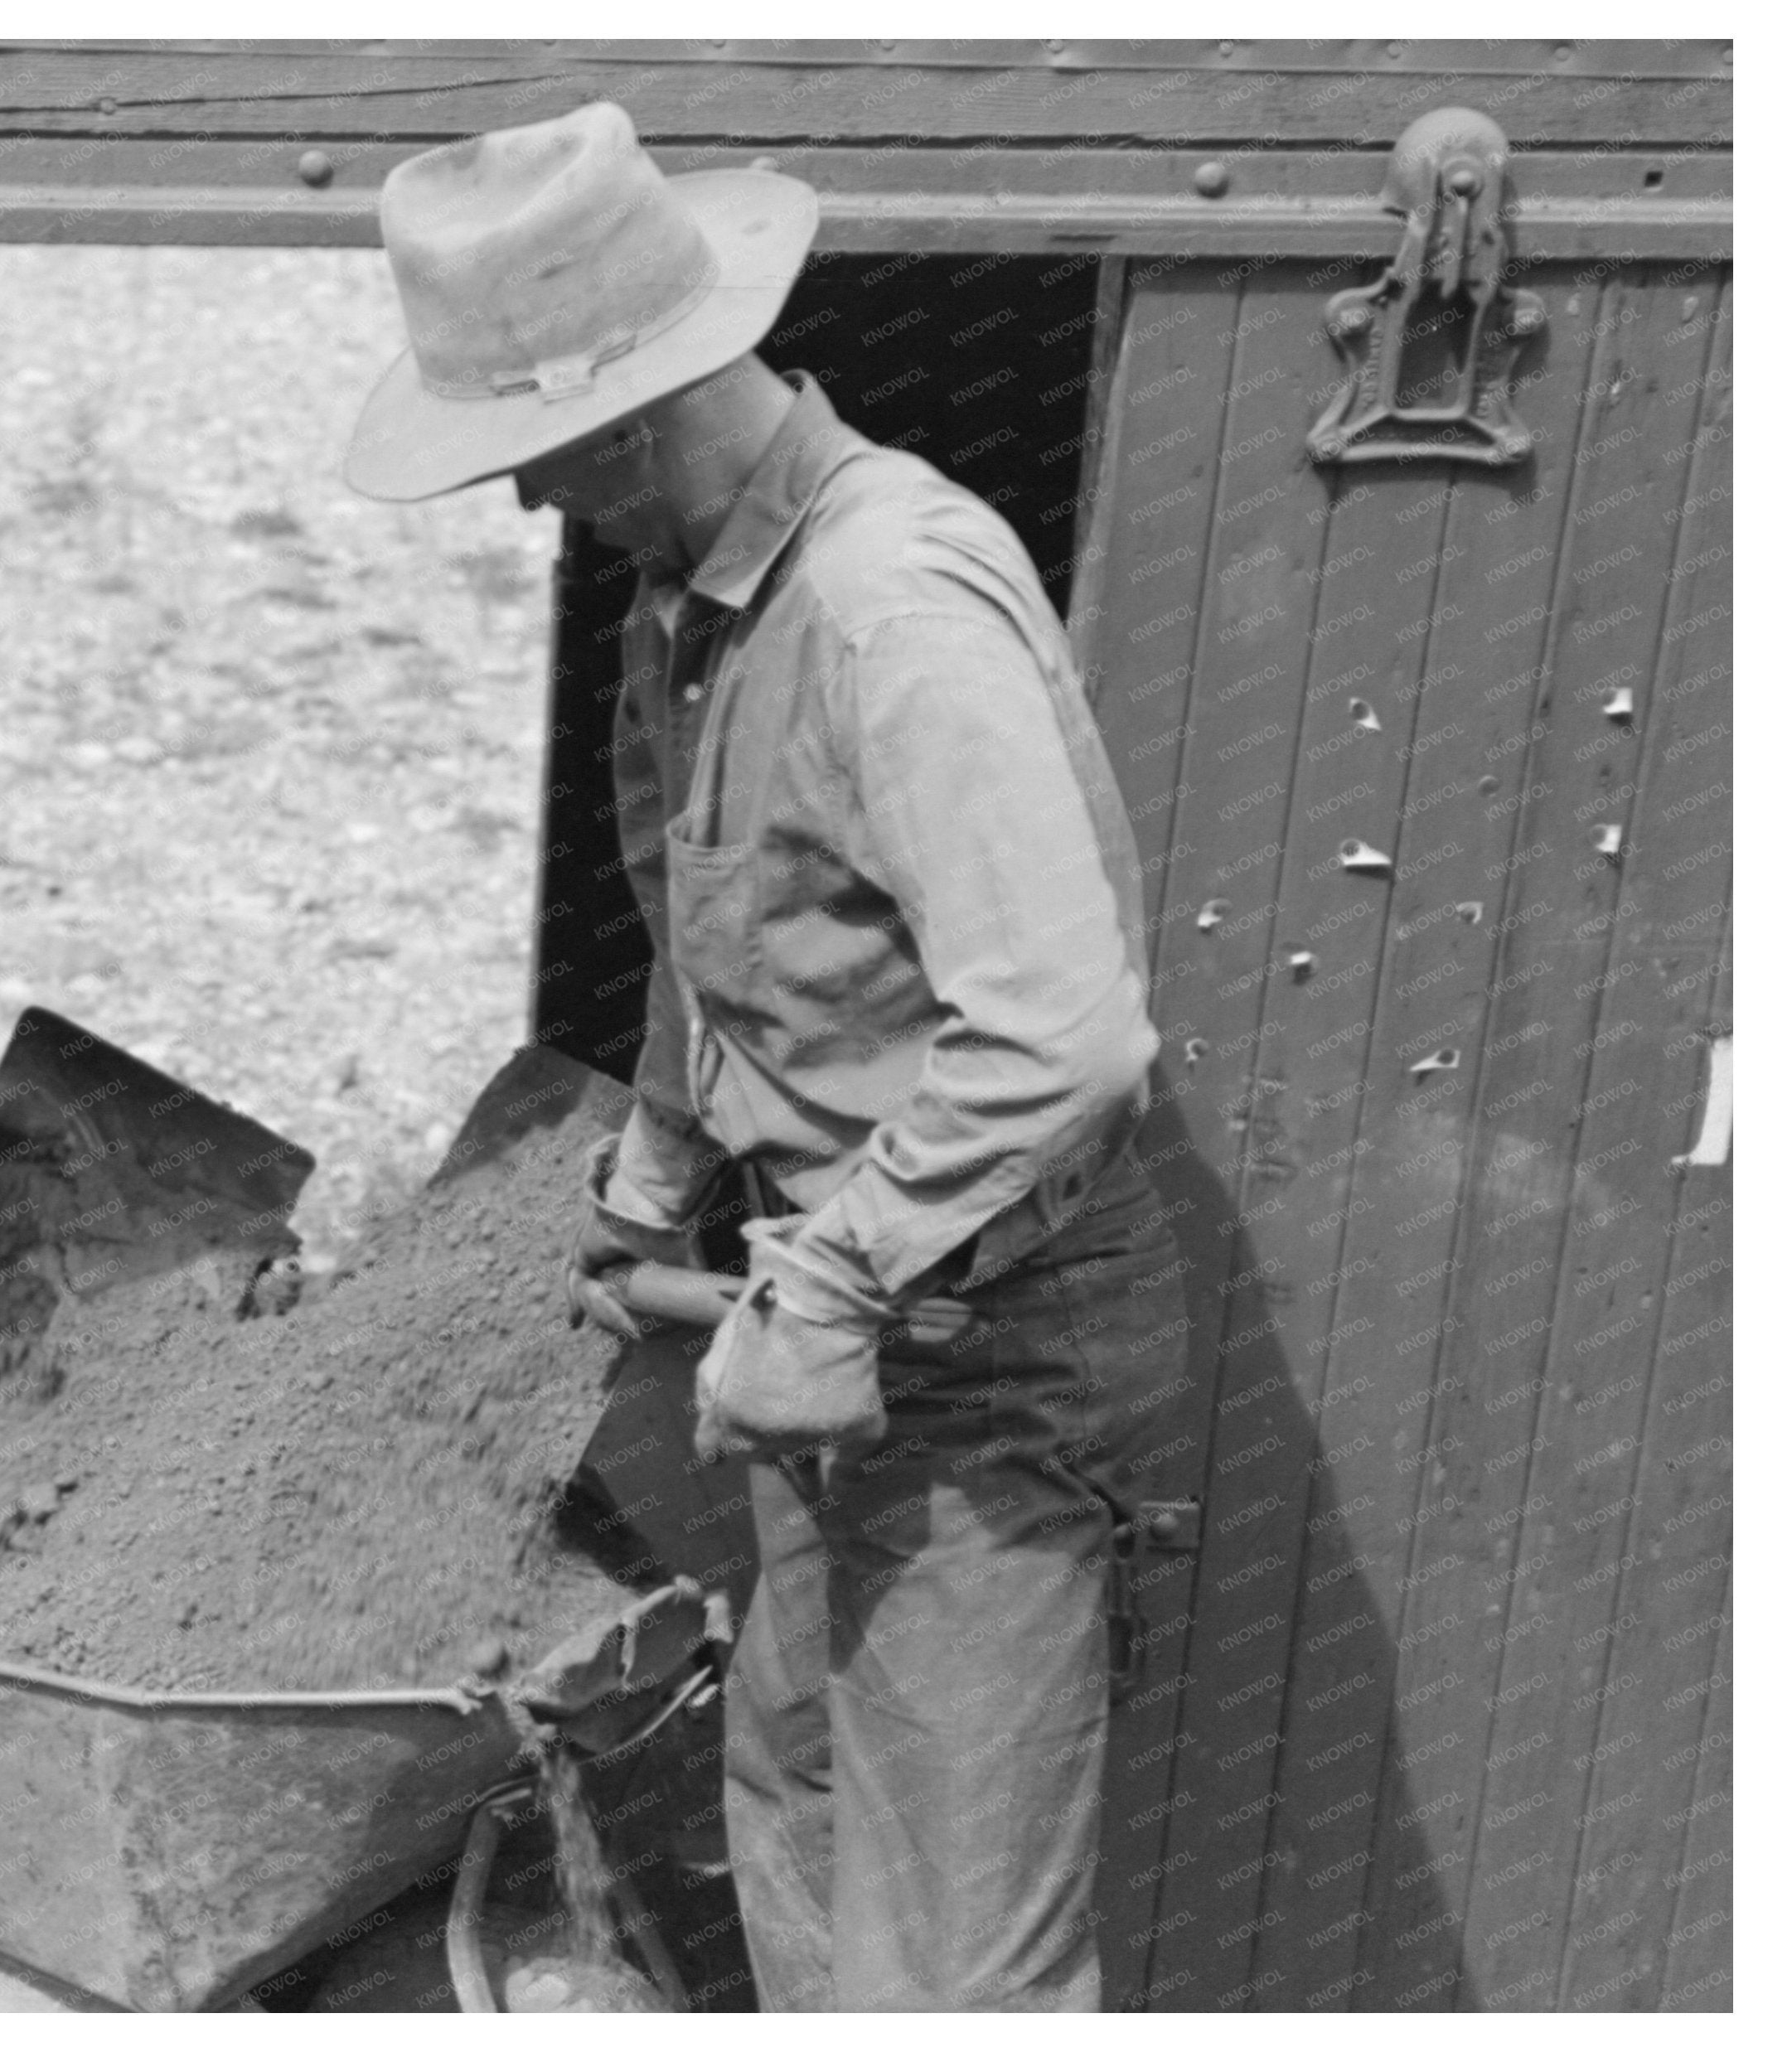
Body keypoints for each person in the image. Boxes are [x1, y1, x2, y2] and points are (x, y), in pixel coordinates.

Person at [346, 105, 1191, 2010]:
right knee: (801, 1800)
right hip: (860, 1315)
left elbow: (1066, 1037)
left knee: (953, 1948)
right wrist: (649, 1177)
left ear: (631, 409)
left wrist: (818, 1283)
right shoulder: (695, 608)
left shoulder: (890, 607)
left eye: (527, 455)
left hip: (989, 1343)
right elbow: (713, 933)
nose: (519, 503)